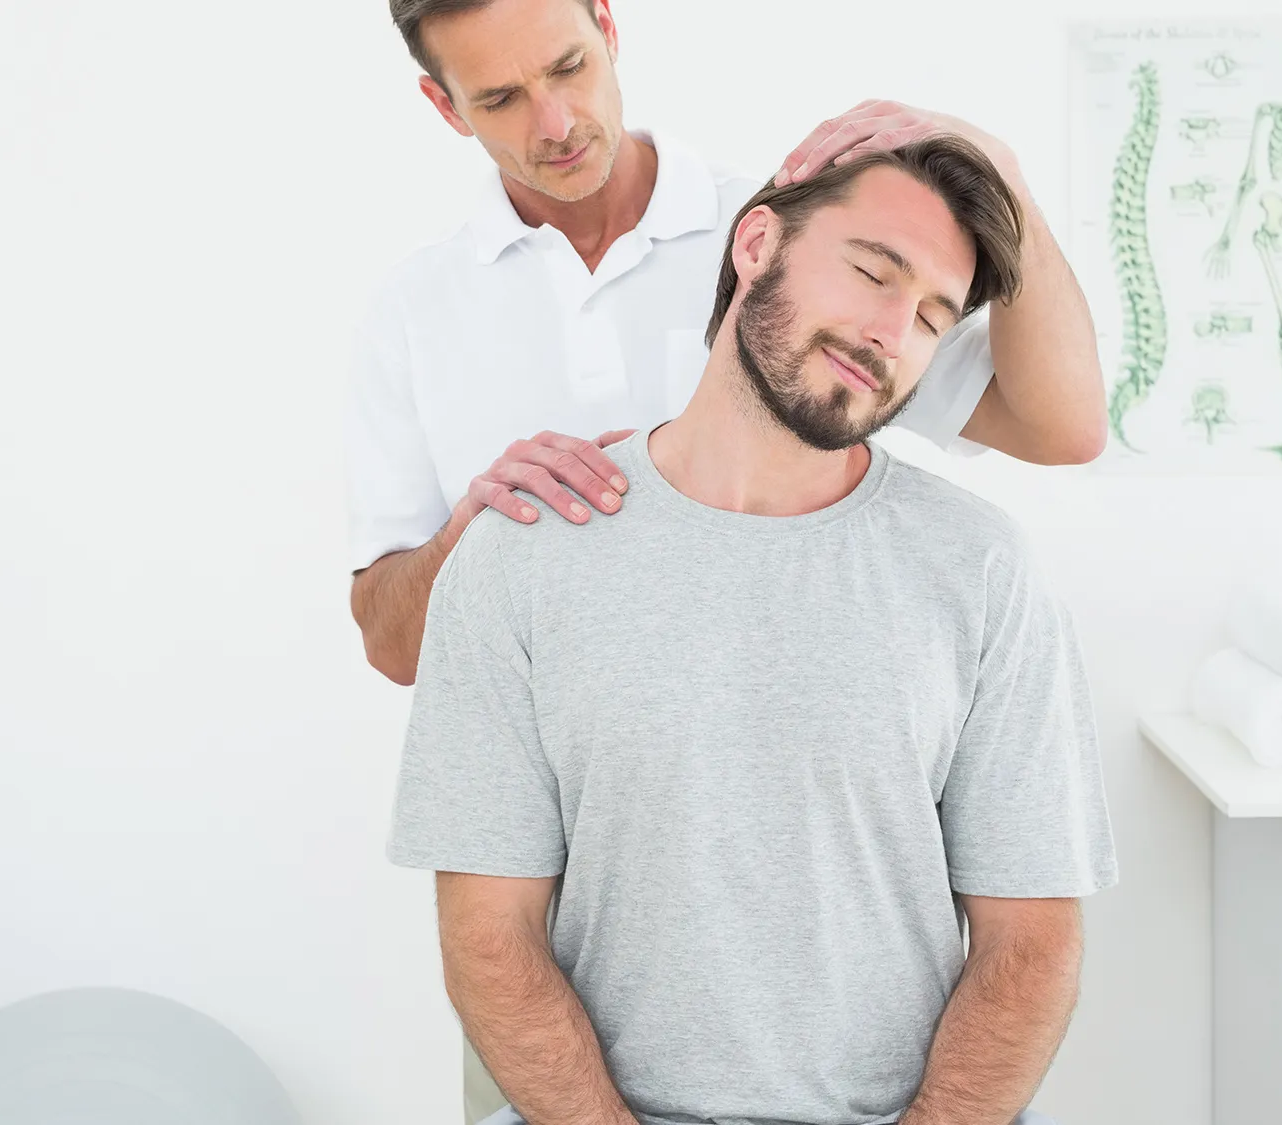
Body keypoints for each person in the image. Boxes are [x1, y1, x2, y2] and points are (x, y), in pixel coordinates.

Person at [387, 135, 1119, 1125]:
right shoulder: (526, 553)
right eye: (870, 271)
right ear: (757, 242)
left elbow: (1029, 942)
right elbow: (488, 936)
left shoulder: (979, 569)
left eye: (933, 317)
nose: (889, 331)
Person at [347, 0, 1108, 695]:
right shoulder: (413, 310)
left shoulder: (781, 242)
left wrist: (1006, 178)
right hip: (541, 810)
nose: (554, 123)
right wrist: (466, 539)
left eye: (568, 67)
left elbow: (1064, 428)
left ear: (607, 27)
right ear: (445, 106)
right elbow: (393, 649)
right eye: (501, 99)